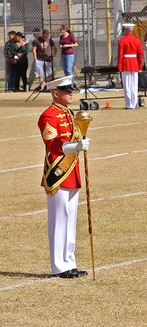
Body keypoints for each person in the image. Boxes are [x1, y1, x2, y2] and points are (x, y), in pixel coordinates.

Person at [38, 75, 90, 279]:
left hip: (72, 172)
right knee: (59, 220)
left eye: (71, 90)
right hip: (58, 173)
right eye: (67, 90)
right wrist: (76, 147)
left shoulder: (68, 113)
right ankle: (59, 266)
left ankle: (70, 262)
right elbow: (53, 146)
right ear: (55, 93)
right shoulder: (48, 116)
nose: (71, 93)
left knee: (70, 220)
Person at [117, 24, 143, 109]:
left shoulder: (122, 40)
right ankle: (134, 103)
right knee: (134, 85)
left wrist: (119, 65)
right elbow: (140, 54)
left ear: (126, 30)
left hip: (126, 63)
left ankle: (128, 104)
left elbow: (120, 54)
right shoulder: (137, 40)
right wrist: (140, 65)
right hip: (134, 63)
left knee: (127, 85)